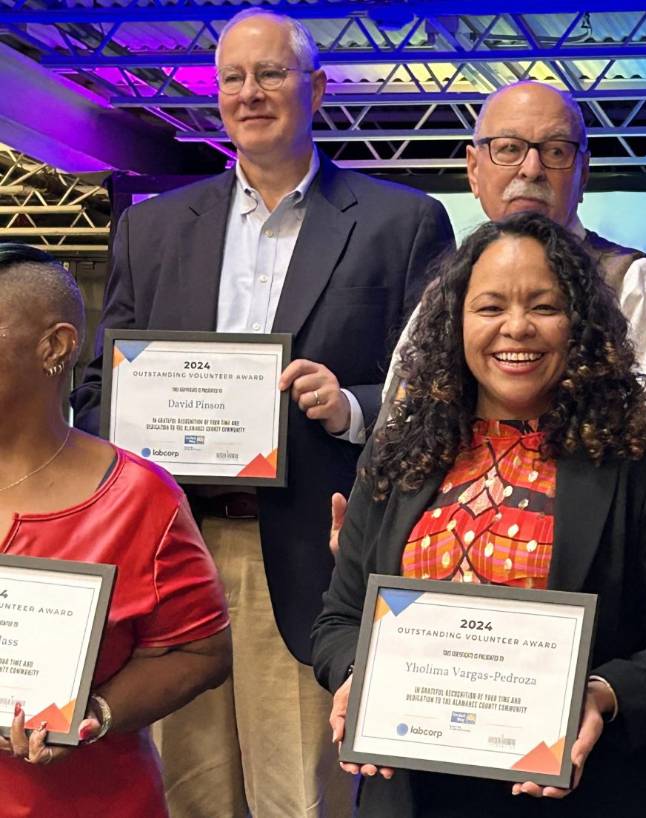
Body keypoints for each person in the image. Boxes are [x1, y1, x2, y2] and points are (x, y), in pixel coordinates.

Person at [69, 9, 455, 818]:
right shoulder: (152, 227)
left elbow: (439, 385)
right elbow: (98, 386)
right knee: (189, 795)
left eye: (273, 73)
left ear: (315, 88)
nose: (252, 93)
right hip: (172, 551)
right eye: (234, 79)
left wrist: (352, 404)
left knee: (302, 796)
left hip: (313, 556)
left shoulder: (401, 221)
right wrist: (129, 431)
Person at [313, 212, 646, 817]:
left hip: (587, 795)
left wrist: (601, 696)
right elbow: (339, 621)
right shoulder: (398, 455)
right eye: (491, 307)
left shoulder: (637, 464)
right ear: (456, 322)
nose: (516, 329)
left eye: (544, 306)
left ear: (579, 323)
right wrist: (353, 676)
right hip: (413, 794)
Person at [0, 244, 231, 817]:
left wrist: (94, 714)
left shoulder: (137, 497)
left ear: (54, 346)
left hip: (80, 801)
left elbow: (200, 653)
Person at [380, 79, 646, 483]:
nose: (532, 169)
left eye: (556, 152)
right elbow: (397, 428)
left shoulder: (635, 283)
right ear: (474, 170)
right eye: (509, 148)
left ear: (583, 173)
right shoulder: (444, 292)